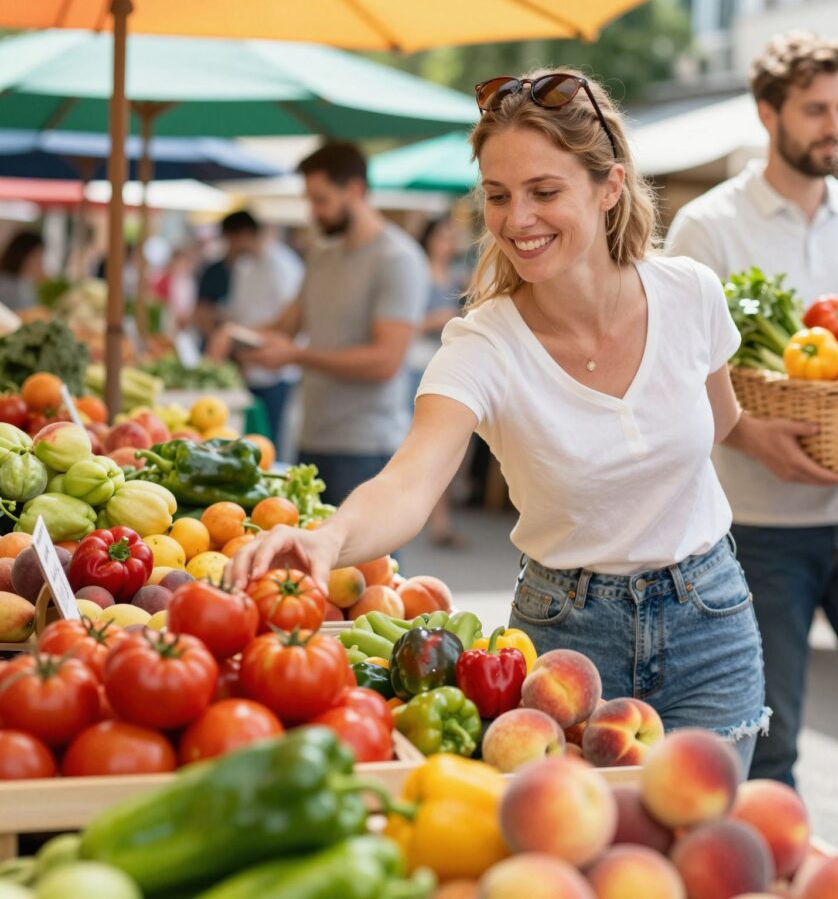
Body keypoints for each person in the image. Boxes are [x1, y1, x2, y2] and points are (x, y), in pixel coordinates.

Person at [230, 68, 796, 769]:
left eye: (545, 192)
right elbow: (411, 480)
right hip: (567, 638)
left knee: (706, 862)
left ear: (609, 186)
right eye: (498, 196)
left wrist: (773, 444)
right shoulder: (484, 343)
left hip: (709, 619)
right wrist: (328, 538)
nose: (517, 219)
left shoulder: (691, 294)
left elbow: (719, 419)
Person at [664, 31, 838, 851]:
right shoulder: (709, 228)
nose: (835, 125)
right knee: (769, 740)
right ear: (767, 110)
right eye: (816, 109)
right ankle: (781, 872)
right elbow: (676, 379)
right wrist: (749, 438)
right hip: (762, 526)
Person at [238, 142, 429, 506]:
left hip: (367, 447)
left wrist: (296, 357)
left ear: (354, 190)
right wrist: (235, 337)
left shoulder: (397, 259)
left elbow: (385, 361)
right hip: (312, 436)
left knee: (369, 562)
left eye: (321, 199)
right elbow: (286, 327)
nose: (313, 212)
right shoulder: (322, 253)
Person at [205, 211, 305, 443]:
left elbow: (289, 323)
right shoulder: (244, 266)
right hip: (247, 367)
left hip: (275, 372)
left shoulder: (282, 266)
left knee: (268, 441)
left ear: (245, 235)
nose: (228, 247)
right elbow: (241, 311)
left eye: (230, 240)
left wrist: (234, 333)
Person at [409, 215, 470, 547]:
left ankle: (439, 521)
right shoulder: (417, 272)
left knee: (446, 445)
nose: (449, 241)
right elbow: (406, 324)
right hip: (415, 367)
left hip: (445, 364)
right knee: (423, 444)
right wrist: (439, 320)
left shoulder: (458, 277)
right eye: (444, 234)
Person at [0, 231, 45, 313]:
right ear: (23, 256)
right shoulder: (7, 285)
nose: (40, 263)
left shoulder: (25, 283)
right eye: (37, 256)